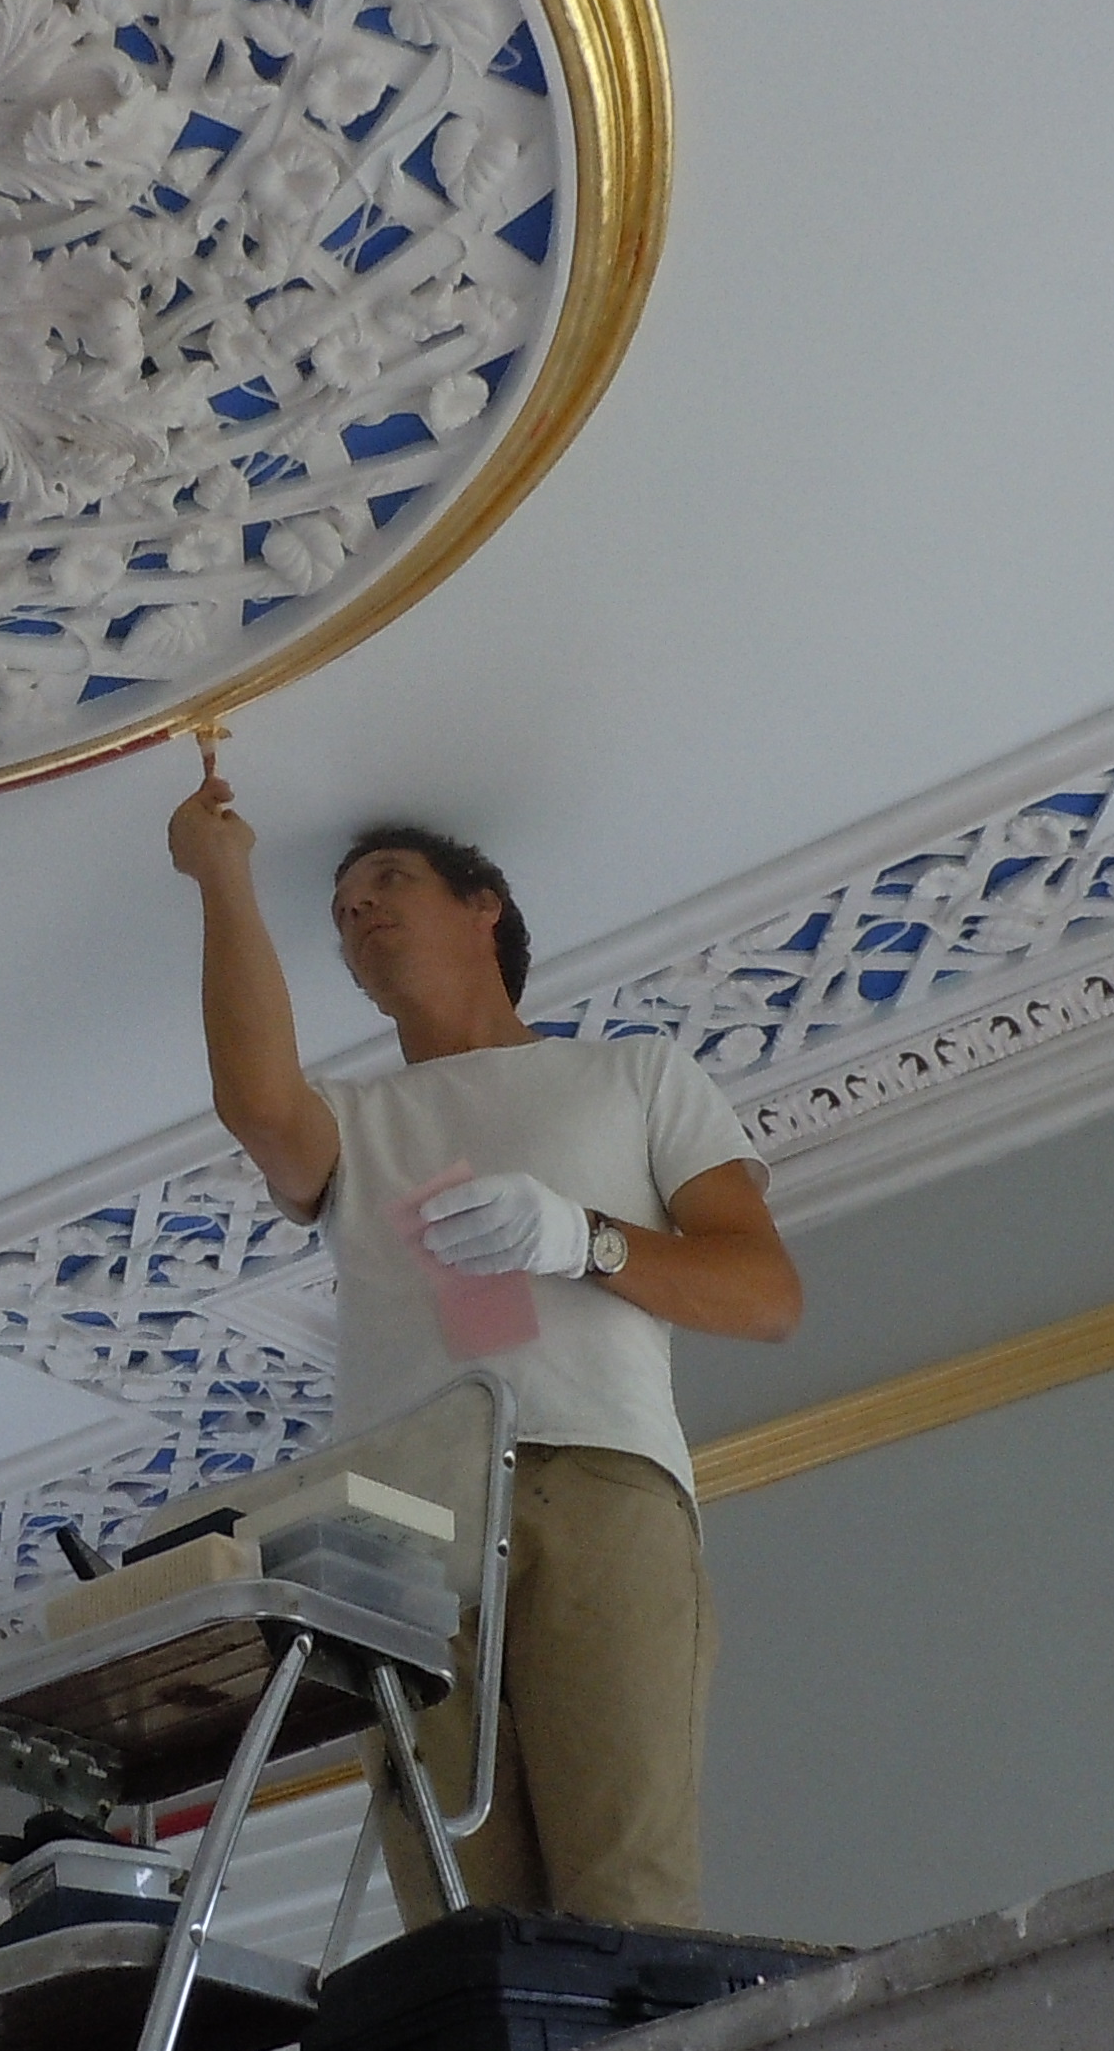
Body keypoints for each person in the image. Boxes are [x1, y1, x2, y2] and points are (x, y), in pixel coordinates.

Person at [164, 737, 802, 1929]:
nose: (359, 917)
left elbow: (764, 1293)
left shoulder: (630, 1078)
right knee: (457, 1910)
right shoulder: (358, 1121)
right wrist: (222, 878)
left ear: (484, 908)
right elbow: (259, 1105)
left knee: (626, 1889)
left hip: (596, 1480)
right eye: (344, 914)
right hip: (401, 1525)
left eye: (388, 885)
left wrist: (584, 1240)